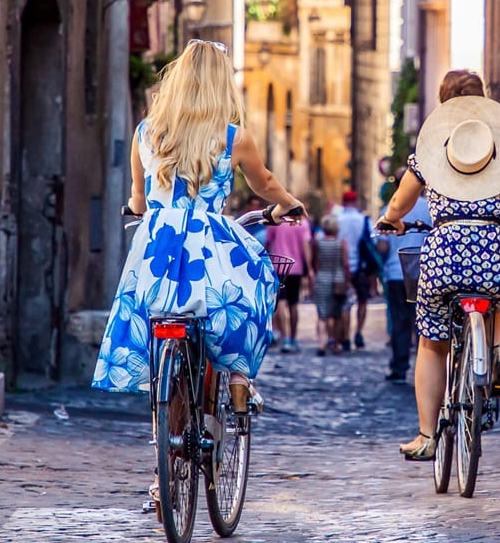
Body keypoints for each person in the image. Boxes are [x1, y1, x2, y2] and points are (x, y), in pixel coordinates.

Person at [91, 39, 305, 499]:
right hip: (209, 247)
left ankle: (163, 460)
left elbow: (137, 199)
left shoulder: (147, 133)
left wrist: (141, 207)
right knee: (253, 288)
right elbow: (264, 183)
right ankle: (239, 376)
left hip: (158, 249)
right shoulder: (232, 137)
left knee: (162, 325)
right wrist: (289, 204)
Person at [379, 70, 500, 461]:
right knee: (496, 300)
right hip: (495, 251)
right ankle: (497, 350)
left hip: (444, 254)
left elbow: (399, 204)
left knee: (431, 344)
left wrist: (392, 220)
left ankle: (427, 435)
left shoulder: (431, 155)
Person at [375, 189, 432, 383]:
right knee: (425, 324)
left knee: (400, 322)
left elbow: (382, 246)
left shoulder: (388, 209)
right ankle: (426, 369)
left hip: (396, 272)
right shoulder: (431, 208)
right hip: (425, 273)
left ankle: (399, 368)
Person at [265, 213, 313, 354]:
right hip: (296, 268)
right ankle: (292, 337)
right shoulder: (302, 223)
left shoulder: (276, 221)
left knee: (280, 302)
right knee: (293, 304)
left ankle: (284, 336)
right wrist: (309, 268)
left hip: (278, 266)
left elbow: (268, 242)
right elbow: (305, 246)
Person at [336, 189, 377, 351]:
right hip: (362, 268)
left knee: (345, 304)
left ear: (343, 202)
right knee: (362, 302)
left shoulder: (337, 220)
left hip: (343, 267)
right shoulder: (364, 220)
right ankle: (358, 332)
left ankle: (345, 336)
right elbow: (372, 242)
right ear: (356, 202)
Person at [312, 215, 351, 355]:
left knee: (322, 315)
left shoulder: (318, 243)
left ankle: (321, 344)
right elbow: (345, 264)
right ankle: (336, 343)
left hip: (322, 278)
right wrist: (348, 280)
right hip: (338, 280)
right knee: (337, 314)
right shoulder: (342, 243)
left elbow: (316, 262)